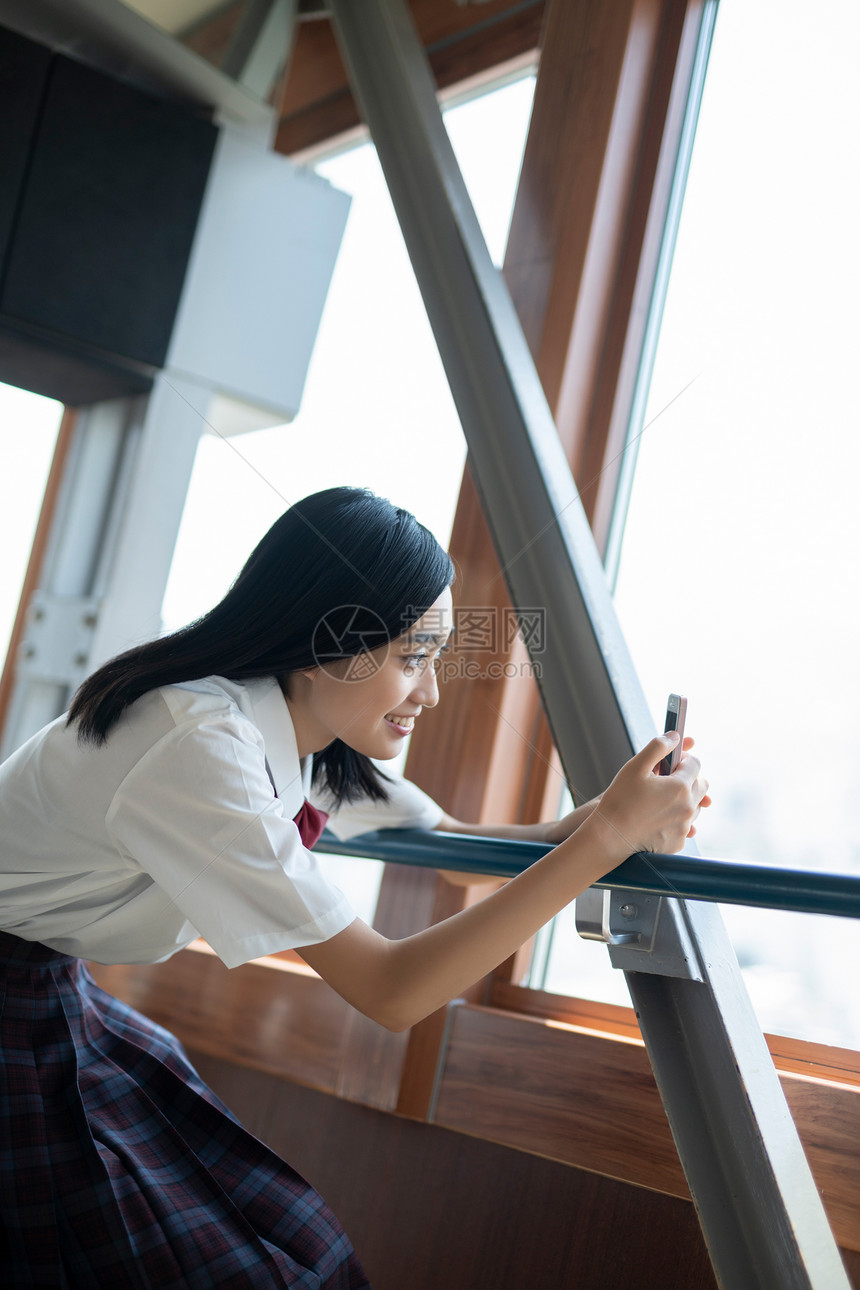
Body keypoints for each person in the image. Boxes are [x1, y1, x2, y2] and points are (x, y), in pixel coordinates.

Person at [0, 486, 709, 1288]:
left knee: (283, 1239)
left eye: (436, 657)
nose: (432, 692)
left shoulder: (301, 734)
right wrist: (610, 836)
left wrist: (604, 820)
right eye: (413, 658)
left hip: (52, 992)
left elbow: (448, 846)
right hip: (21, 1002)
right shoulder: (199, 743)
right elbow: (391, 991)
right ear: (322, 639)